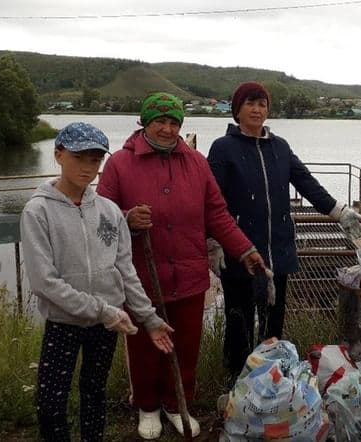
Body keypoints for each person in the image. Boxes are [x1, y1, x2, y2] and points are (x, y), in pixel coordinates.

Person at [96, 92, 265, 439]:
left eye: (174, 123)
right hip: (141, 277)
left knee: (186, 346)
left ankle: (177, 404)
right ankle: (147, 406)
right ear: (145, 122)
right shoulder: (119, 164)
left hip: (188, 275)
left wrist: (245, 249)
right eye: (160, 121)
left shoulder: (196, 163)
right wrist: (126, 218)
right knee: (144, 345)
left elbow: (216, 214)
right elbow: (99, 216)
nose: (167, 129)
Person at [21, 122, 175, 441]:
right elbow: (43, 281)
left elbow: (125, 271)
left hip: (106, 324)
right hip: (64, 320)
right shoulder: (38, 211)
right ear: (59, 155)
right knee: (51, 402)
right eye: (79, 157)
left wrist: (148, 318)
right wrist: (104, 311)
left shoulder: (109, 211)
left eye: (95, 159)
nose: (88, 167)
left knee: (94, 393)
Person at [207, 81, 361, 381]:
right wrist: (212, 241)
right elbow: (211, 199)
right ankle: (235, 380)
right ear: (237, 110)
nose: (257, 109)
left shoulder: (279, 147)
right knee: (238, 318)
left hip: (277, 250)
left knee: (273, 320)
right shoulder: (223, 148)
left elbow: (305, 181)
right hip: (239, 251)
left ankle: (271, 377)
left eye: (262, 103)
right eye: (250, 103)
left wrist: (338, 211)